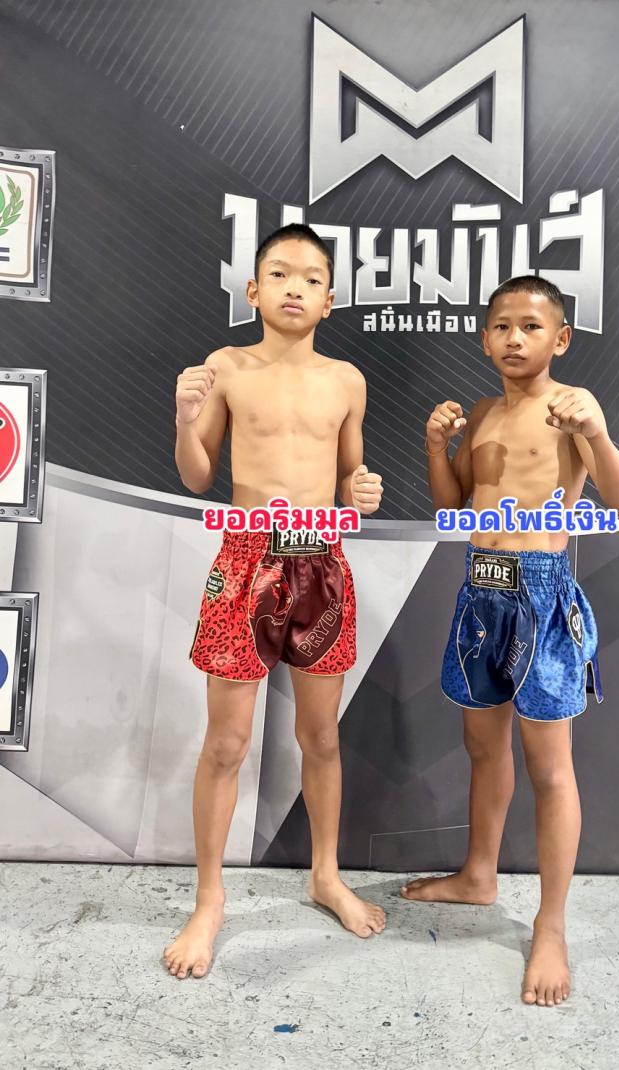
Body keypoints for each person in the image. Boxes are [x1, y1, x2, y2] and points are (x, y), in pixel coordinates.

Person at [403, 275, 619, 1008]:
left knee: (551, 769)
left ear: (559, 338)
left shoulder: (575, 408)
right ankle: (479, 875)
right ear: (484, 339)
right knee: (483, 749)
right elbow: (452, 505)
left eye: (531, 327)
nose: (515, 338)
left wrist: (595, 434)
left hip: (540, 590)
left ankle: (551, 925)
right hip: (481, 587)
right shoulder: (481, 412)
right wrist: (436, 447)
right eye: (502, 326)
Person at [164, 223, 386, 981]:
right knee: (226, 744)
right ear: (254, 290)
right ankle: (209, 900)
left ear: (330, 299)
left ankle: (326, 875)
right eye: (281, 274)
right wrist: (184, 417)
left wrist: (362, 492)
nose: (296, 287)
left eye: (312, 277)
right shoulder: (225, 366)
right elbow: (197, 474)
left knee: (320, 737)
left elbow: (351, 477)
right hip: (246, 560)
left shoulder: (348, 380)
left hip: (322, 564)